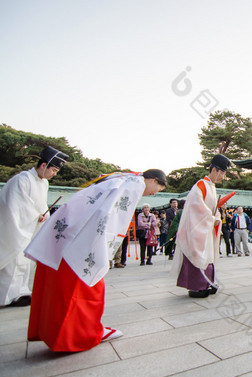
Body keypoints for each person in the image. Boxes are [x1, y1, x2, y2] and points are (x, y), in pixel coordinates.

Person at [25, 169, 166, 352]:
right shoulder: (134, 185)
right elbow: (111, 218)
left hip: (68, 235)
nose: (154, 194)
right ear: (153, 179)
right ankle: (84, 333)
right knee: (86, 289)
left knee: (60, 287)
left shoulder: (121, 178)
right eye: (157, 188)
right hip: (84, 240)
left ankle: (55, 332)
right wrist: (102, 250)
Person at [0, 146, 68, 307]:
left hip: (32, 227)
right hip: (18, 227)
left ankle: (20, 292)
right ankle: (6, 296)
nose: (54, 174)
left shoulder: (43, 184)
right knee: (13, 263)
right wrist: (34, 215)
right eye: (53, 170)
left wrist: (44, 215)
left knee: (26, 262)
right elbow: (15, 205)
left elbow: (41, 205)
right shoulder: (22, 179)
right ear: (43, 165)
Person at [173, 154, 230, 298]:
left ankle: (206, 283)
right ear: (215, 170)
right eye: (222, 172)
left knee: (207, 256)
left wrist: (216, 217)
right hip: (197, 228)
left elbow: (213, 208)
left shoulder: (211, 186)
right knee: (198, 255)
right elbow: (196, 208)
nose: (223, 176)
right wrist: (211, 218)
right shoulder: (200, 185)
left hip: (207, 227)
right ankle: (196, 286)